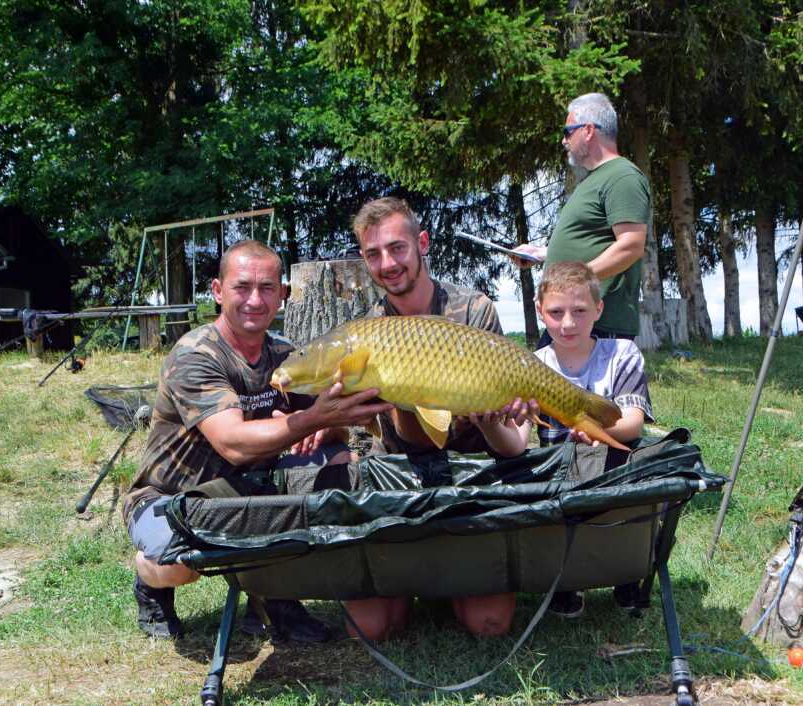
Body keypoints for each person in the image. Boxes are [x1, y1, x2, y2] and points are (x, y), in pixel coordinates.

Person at [123, 239, 393, 640]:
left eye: (267, 288)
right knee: (180, 565)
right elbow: (232, 442)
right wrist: (310, 419)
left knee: (340, 462)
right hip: (172, 497)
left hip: (253, 489)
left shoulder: (285, 354)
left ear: (282, 295)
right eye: (242, 287)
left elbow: (329, 423)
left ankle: (273, 597)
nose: (255, 299)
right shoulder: (196, 355)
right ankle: (149, 581)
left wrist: (327, 426)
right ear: (217, 291)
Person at [346, 196, 538, 640]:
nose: (387, 263)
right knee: (368, 629)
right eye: (373, 254)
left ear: (422, 244)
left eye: (397, 248)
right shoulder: (366, 333)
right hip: (403, 481)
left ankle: (452, 576)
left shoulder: (472, 311)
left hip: (471, 478)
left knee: (490, 624)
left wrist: (495, 415)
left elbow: (509, 437)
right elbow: (369, 434)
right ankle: (413, 576)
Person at [533, 260, 654, 617]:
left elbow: (633, 422)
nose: (567, 323)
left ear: (598, 309)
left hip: (613, 467)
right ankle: (566, 581)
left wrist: (591, 431)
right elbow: (518, 438)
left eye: (579, 311)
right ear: (540, 312)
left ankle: (626, 573)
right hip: (558, 474)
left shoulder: (621, 353)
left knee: (627, 483)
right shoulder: (532, 363)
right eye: (555, 312)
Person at [512, 92, 650, 342]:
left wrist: (571, 281)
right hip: (572, 327)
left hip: (597, 331)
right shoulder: (595, 180)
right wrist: (545, 254)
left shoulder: (622, 176)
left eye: (567, 131)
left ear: (588, 130)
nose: (564, 141)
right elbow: (596, 242)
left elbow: (631, 245)